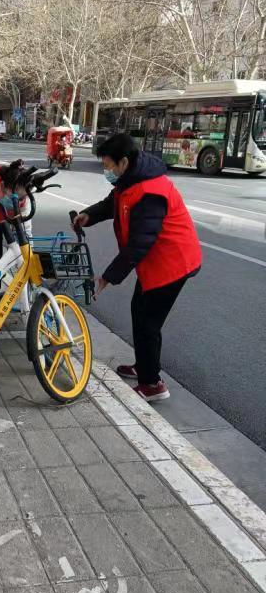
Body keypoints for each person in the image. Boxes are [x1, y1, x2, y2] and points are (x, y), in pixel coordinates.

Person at [74, 133, 201, 402]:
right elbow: (113, 202)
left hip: (172, 263)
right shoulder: (131, 177)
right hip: (156, 261)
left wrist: (108, 277)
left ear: (123, 162)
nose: (106, 171)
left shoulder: (151, 191)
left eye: (108, 166)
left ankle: (152, 384)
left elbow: (138, 245)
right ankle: (145, 366)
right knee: (139, 311)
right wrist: (90, 215)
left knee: (147, 323)